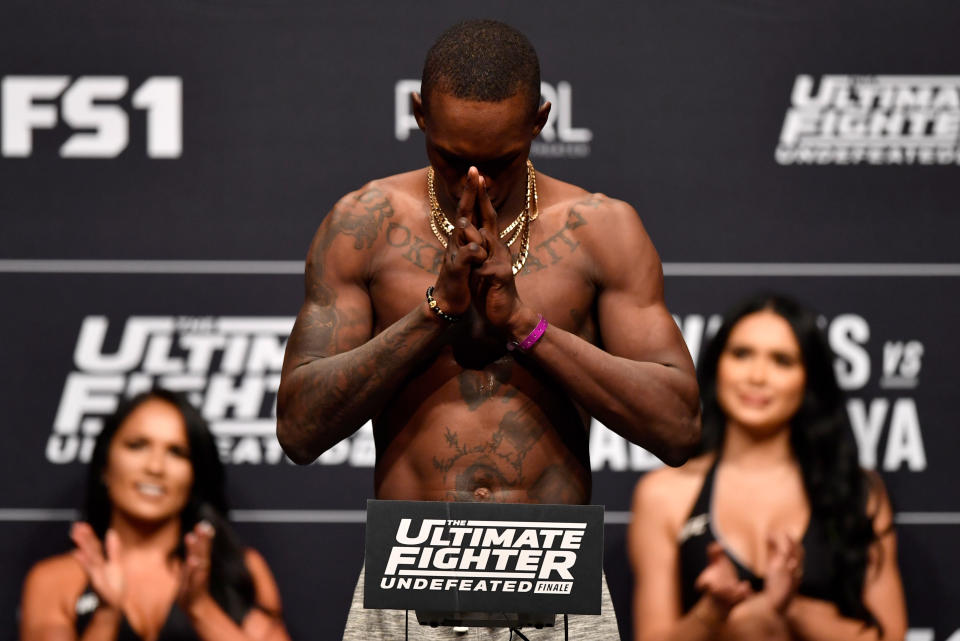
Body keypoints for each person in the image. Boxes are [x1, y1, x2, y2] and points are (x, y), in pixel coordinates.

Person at [276, 19, 700, 639]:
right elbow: (299, 427)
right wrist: (435, 314)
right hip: (409, 583)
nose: (474, 182)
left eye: (502, 162)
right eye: (450, 159)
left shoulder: (600, 230)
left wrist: (526, 326)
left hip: (554, 583)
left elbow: (679, 427)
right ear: (418, 114)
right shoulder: (361, 225)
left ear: (540, 121)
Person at [628, 294, 907, 641]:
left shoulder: (857, 491)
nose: (757, 376)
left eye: (782, 361)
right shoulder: (663, 494)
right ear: (717, 365)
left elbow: (892, 636)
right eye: (742, 354)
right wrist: (712, 612)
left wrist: (789, 606)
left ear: (808, 379)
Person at [20, 389, 291, 641]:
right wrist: (106, 615)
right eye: (137, 445)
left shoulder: (240, 571)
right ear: (105, 465)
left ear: (195, 476)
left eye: (177, 452)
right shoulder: (54, 579)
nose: (155, 467)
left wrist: (201, 609)